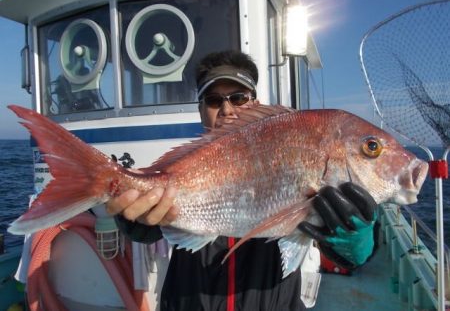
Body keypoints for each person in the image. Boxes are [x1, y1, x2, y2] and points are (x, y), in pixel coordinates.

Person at [106, 50, 378, 311]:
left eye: (237, 98)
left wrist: (352, 238)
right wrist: (134, 218)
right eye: (213, 100)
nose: (226, 109)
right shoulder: (184, 167)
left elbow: (348, 257)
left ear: (254, 104)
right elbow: (151, 230)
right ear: (202, 110)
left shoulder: (289, 154)